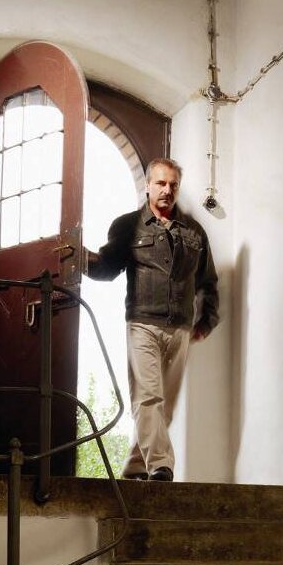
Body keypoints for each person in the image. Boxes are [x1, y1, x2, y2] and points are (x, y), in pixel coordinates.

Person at [85, 158, 218, 481]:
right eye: (160, 183)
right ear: (147, 185)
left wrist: (206, 321)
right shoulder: (128, 226)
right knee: (148, 397)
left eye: (173, 185)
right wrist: (77, 256)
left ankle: (135, 468)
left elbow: (208, 281)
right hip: (142, 323)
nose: (167, 190)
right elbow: (106, 268)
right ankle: (161, 464)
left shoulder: (194, 232)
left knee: (164, 407)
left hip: (181, 327)